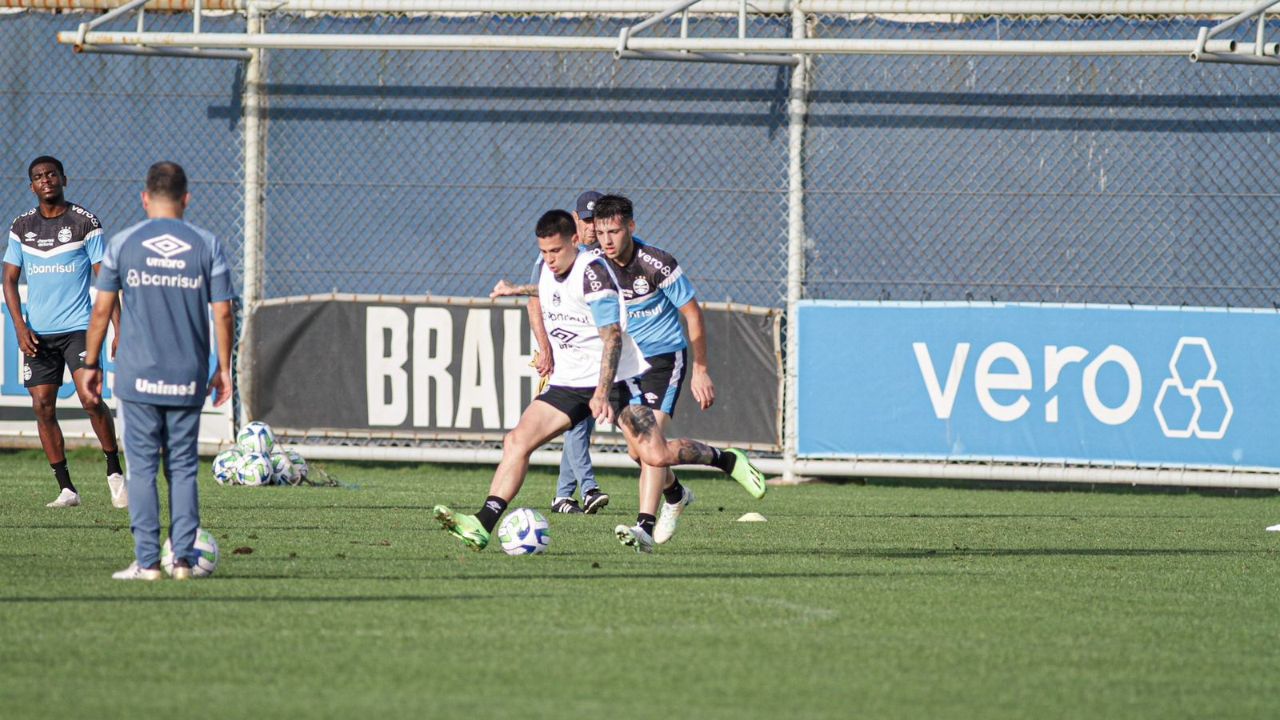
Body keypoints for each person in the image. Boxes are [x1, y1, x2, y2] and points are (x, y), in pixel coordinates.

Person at [437, 209, 766, 554]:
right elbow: (549, 290)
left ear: (575, 242)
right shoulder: (551, 270)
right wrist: (516, 289)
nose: (549, 259)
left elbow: (613, 338)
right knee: (517, 440)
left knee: (653, 455)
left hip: (619, 381)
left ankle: (725, 460)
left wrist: (602, 393)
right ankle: (482, 523)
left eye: (556, 251)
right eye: (544, 252)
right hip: (569, 382)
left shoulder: (594, 274)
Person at [83, 161, 235, 581]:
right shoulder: (207, 244)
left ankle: (148, 562)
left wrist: (92, 363)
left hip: (136, 376)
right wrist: (224, 368)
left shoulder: (123, 243)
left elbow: (101, 309)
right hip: (187, 374)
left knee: (143, 470)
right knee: (184, 467)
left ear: (145, 198)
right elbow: (223, 313)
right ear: (186, 199)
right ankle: (182, 560)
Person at [590, 194, 765, 549]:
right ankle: (682, 490)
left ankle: (644, 527)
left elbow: (693, 313)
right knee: (640, 453)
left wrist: (701, 369)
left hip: (663, 359)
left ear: (631, 227)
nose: (607, 239)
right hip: (625, 366)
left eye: (615, 231)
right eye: (601, 231)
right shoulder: (595, 266)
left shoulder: (657, 263)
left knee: (652, 446)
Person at [3, 156, 125, 509]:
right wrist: (20, 326)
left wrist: (120, 328)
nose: (46, 180)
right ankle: (67, 489)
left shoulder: (85, 222)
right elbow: (9, 280)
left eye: (52, 174)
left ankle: (115, 474)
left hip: (79, 331)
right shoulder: (21, 226)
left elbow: (106, 278)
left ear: (63, 179)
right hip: (37, 335)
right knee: (42, 406)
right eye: (39, 177)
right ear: (32, 186)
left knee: (89, 399)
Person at [491, 190, 609, 515]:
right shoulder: (551, 259)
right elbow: (540, 296)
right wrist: (545, 348)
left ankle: (694, 477)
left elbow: (615, 330)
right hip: (571, 372)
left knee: (649, 452)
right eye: (586, 220)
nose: (591, 228)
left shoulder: (604, 260)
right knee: (545, 432)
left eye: (595, 221)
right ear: (576, 223)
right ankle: (578, 490)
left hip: (614, 373)